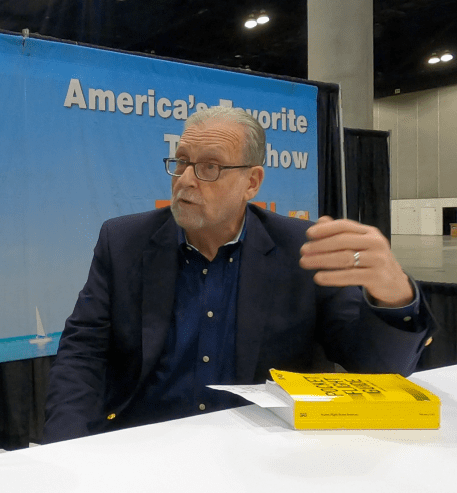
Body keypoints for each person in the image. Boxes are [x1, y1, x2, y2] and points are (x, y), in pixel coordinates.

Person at [44, 106, 435, 443]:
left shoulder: (302, 250)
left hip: (265, 451)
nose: (186, 180)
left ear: (252, 182)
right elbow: (82, 355)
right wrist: (66, 449)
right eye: (181, 162)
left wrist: (394, 298)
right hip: (147, 442)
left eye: (209, 167)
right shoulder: (125, 241)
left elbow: (378, 371)